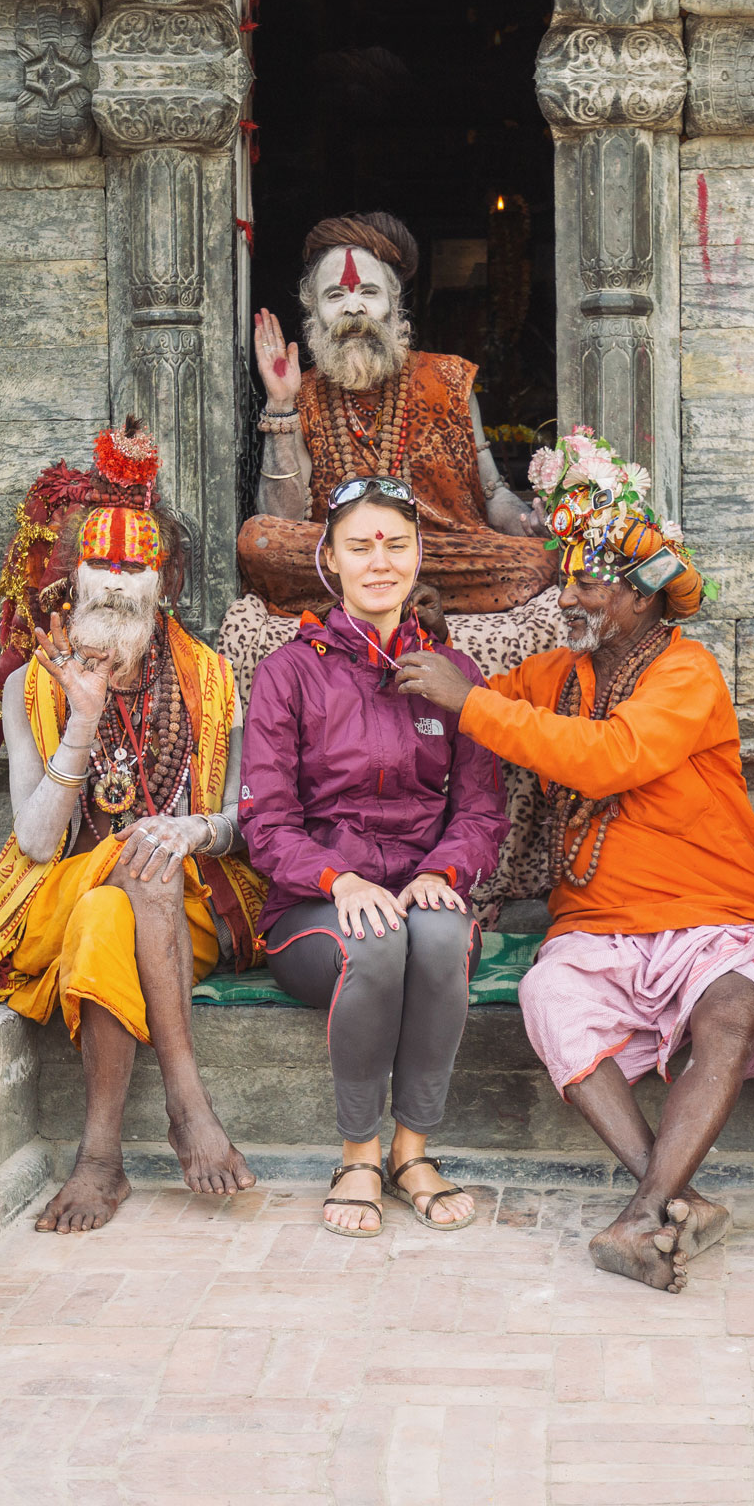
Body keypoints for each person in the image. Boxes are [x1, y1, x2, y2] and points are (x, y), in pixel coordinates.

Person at [394, 473, 754, 1292]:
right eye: (566, 581)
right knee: (547, 996)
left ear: (640, 596)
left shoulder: (688, 671)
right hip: (597, 921)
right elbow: (477, 701)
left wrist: (473, 702)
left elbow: (611, 757)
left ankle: (641, 1214)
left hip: (709, 908)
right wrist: (436, 634)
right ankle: (667, 1200)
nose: (566, 598)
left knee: (733, 1005)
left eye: (587, 585)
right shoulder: (559, 675)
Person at [0, 484, 267, 1235]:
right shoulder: (31, 683)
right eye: (103, 564)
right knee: (118, 879)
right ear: (75, 576)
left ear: (165, 582)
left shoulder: (212, 679)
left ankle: (99, 1160)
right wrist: (83, 720)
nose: (118, 582)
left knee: (114, 905)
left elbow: (241, 819)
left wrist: (192, 832)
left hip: (184, 911)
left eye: (136, 566)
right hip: (47, 899)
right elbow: (35, 842)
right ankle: (188, 1105)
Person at [240, 475, 509, 1236]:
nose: (379, 562)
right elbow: (266, 823)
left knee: (442, 935)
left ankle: (411, 1152)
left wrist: (440, 872)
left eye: (395, 545)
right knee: (376, 938)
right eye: (359, 547)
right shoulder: (290, 672)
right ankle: (357, 1155)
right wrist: (340, 879)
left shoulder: (454, 675)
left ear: (419, 554)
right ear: (330, 559)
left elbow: (481, 810)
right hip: (315, 910)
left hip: (421, 891)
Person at [237, 210, 557, 618]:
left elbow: (493, 494)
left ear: (394, 304)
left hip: (440, 556)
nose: (353, 308)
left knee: (541, 557)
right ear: (313, 312)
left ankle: (377, 599)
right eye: (335, 296)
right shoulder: (304, 394)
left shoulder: (450, 379)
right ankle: (399, 596)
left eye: (368, 292)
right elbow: (281, 519)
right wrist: (281, 403)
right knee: (258, 540)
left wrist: (528, 523)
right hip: (343, 560)